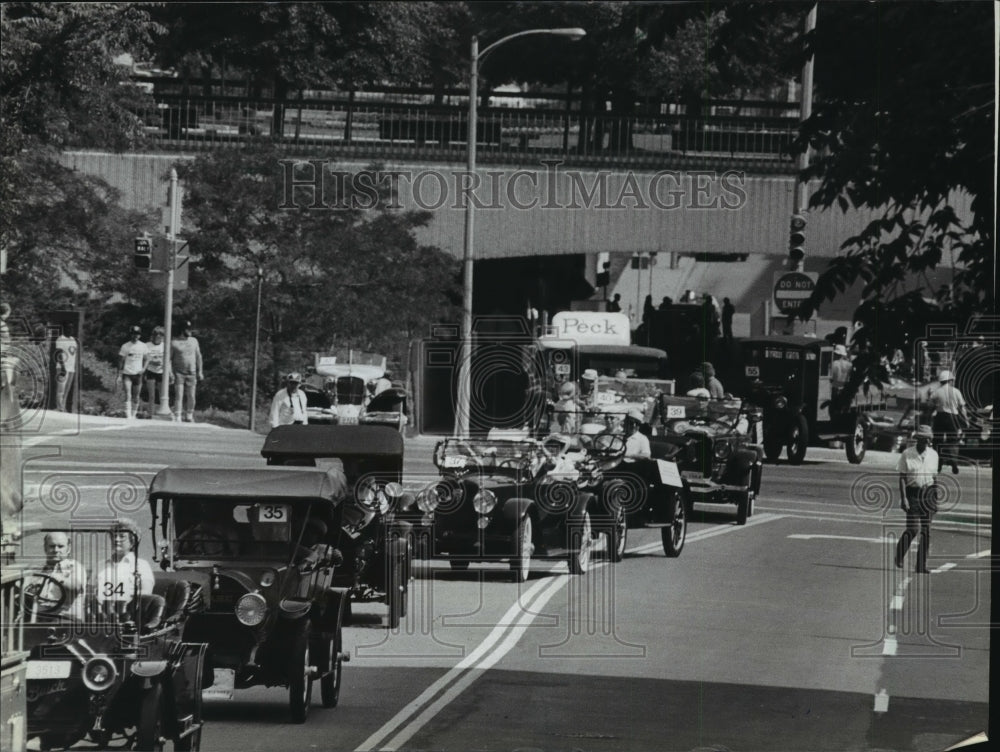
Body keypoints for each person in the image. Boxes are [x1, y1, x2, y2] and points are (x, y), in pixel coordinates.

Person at [894, 425, 939, 574]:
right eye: (922, 439)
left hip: (929, 494)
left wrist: (935, 499)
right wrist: (904, 498)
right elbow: (902, 477)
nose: (925, 442)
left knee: (926, 531)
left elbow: (934, 477)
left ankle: (921, 565)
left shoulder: (934, 455)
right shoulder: (907, 454)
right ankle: (899, 555)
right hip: (912, 493)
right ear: (918, 439)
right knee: (913, 529)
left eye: (927, 439)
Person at [96, 518, 155, 618]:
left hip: (130, 615)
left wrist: (123, 599)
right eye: (114, 536)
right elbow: (92, 590)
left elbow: (146, 592)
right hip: (101, 616)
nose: (116, 539)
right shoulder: (100, 565)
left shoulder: (141, 565)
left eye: (122, 536)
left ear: (132, 541)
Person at [37, 532, 88, 618]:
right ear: (45, 548)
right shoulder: (38, 570)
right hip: (40, 619)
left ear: (68, 549)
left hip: (67, 620)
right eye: (52, 546)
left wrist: (53, 575)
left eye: (60, 546)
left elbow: (76, 587)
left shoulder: (75, 567)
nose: (56, 550)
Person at [928, 369, 968, 474]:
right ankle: (954, 462)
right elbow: (962, 408)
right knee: (953, 441)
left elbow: (930, 406)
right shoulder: (956, 391)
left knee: (937, 441)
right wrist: (966, 420)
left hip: (940, 417)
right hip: (952, 418)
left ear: (941, 381)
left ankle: (938, 464)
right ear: (950, 380)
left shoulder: (936, 392)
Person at [170, 320, 203, 423]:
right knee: (179, 395)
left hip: (192, 372)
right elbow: (169, 359)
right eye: (188, 329)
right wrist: (170, 373)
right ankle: (178, 415)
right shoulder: (174, 342)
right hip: (179, 372)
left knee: (191, 395)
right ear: (182, 330)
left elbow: (198, 356)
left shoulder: (194, 341)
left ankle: (189, 414)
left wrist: (200, 371)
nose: (190, 331)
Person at [118, 325, 148, 420]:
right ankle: (128, 414)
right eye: (134, 334)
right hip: (127, 373)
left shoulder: (143, 346)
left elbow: (147, 359)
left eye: (137, 334)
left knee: (136, 396)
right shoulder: (125, 346)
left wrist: (143, 369)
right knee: (128, 393)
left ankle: (134, 414)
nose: (136, 336)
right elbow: (121, 360)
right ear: (131, 334)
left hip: (138, 374)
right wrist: (119, 374)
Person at [54, 323, 78, 412]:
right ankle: (59, 407)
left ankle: (63, 407)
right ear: (64, 328)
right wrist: (63, 366)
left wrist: (74, 367)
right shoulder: (61, 339)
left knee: (67, 389)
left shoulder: (73, 340)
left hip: (71, 368)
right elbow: (58, 353)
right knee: (61, 389)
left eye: (72, 328)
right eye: (69, 328)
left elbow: (74, 354)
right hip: (62, 367)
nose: (71, 330)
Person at [144, 326, 166, 414]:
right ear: (153, 335)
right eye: (156, 334)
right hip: (150, 371)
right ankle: (151, 412)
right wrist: (153, 361)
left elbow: (167, 359)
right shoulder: (147, 345)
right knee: (151, 394)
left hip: (161, 371)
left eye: (161, 335)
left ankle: (162, 411)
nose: (158, 336)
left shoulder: (165, 345)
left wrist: (161, 362)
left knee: (162, 394)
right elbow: (146, 358)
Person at [830, 344, 853, 414]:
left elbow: (831, 378)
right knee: (845, 408)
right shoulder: (850, 365)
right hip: (846, 389)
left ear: (836, 354)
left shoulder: (833, 364)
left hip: (836, 388)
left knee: (835, 408)